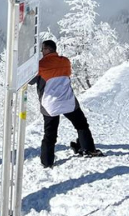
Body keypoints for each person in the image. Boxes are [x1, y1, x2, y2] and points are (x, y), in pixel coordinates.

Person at [32, 39, 103, 168]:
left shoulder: (40, 66)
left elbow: (31, 80)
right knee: (81, 124)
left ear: (48, 50)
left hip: (50, 105)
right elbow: (67, 73)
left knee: (50, 133)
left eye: (43, 49)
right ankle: (88, 149)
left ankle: (47, 162)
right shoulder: (65, 61)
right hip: (68, 101)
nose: (42, 52)